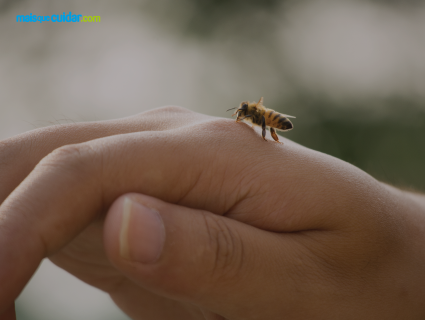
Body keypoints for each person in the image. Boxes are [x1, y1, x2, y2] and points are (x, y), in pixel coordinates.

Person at [0, 106, 424, 320]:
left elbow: (263, 124)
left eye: (246, 115)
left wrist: (409, 250)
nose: (242, 117)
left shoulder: (259, 122)